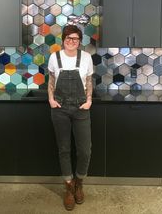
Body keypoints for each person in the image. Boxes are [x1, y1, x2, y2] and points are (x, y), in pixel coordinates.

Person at [48, 24, 93, 211]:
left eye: (75, 39)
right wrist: (50, 99)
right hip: (59, 109)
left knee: (85, 150)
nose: (71, 41)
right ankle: (68, 187)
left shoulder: (86, 58)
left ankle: (79, 182)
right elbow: (51, 80)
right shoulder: (54, 57)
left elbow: (89, 81)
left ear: (79, 41)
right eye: (68, 38)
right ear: (63, 40)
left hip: (81, 108)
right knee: (64, 149)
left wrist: (89, 100)